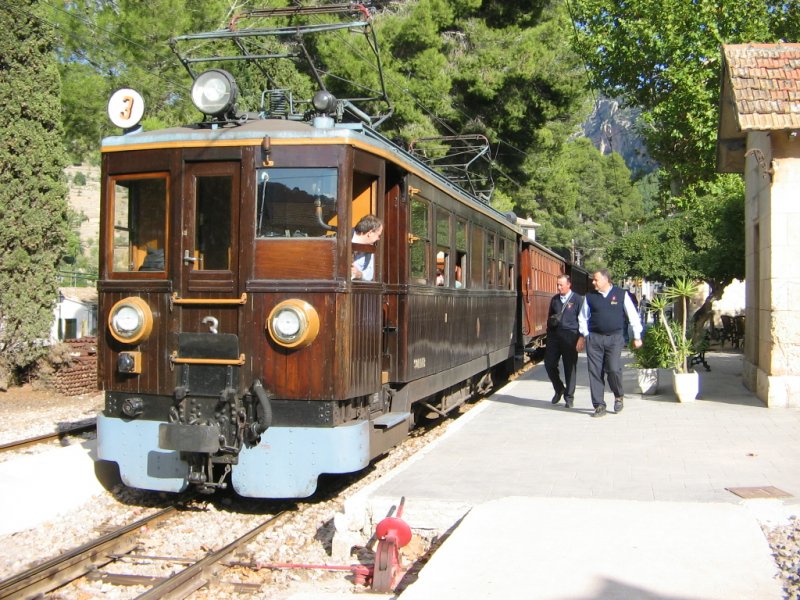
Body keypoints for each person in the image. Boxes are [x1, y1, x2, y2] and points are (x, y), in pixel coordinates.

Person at [577, 268, 643, 418]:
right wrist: (586, 335)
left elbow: (633, 315)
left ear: (606, 280)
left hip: (614, 338)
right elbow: (582, 317)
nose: (593, 282)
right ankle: (599, 405)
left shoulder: (621, 294)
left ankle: (618, 396)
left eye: (596, 280)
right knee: (595, 372)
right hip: (595, 339)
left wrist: (637, 336)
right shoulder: (590, 297)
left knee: (613, 369)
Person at [545, 275, 584, 408]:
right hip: (554, 336)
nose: (559, 287)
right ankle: (559, 388)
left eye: (561, 285)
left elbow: (583, 319)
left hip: (570, 336)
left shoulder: (577, 299)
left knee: (570, 367)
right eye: (557, 284)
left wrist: (581, 337)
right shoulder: (555, 299)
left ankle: (569, 397)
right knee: (549, 364)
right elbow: (550, 317)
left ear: (569, 284)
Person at [351, 215, 383, 281]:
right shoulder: (342, 238)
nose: (378, 238)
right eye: (378, 235)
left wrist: (359, 274)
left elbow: (370, 273)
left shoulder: (371, 247)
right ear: (370, 233)